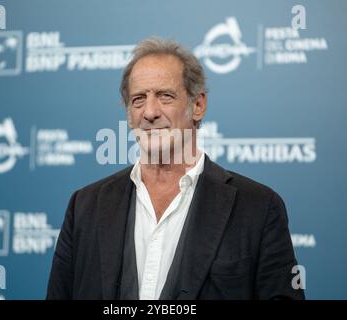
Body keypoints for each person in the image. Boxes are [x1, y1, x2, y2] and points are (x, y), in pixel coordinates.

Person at [46, 37, 305, 300]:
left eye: (165, 96)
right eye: (138, 99)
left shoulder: (258, 208)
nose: (149, 112)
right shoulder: (85, 207)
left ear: (198, 105)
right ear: (128, 113)